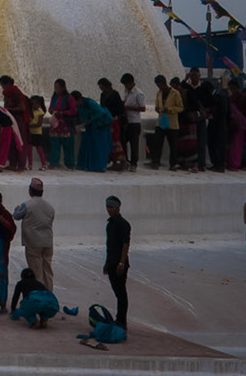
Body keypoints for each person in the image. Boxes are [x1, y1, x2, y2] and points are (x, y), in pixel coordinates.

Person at [14, 177, 55, 291]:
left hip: (33, 242)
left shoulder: (27, 205)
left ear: (30, 191)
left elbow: (16, 216)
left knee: (36, 272)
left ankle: (39, 296)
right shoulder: (50, 207)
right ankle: (49, 294)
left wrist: (16, 209)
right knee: (47, 270)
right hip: (47, 242)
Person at [102, 194, 130, 331]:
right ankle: (120, 319)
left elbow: (125, 244)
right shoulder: (110, 224)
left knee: (121, 293)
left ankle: (122, 321)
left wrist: (121, 263)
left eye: (112, 207)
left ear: (118, 208)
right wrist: (107, 263)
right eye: (107, 207)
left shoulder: (123, 224)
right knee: (118, 292)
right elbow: (109, 245)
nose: (109, 209)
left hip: (119, 263)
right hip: (112, 261)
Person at [119, 74, 145, 171]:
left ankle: (134, 164)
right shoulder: (127, 92)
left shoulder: (138, 93)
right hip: (127, 121)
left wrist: (128, 108)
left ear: (131, 83)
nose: (125, 87)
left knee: (134, 144)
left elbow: (143, 108)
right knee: (123, 142)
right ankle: (126, 160)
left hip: (134, 122)